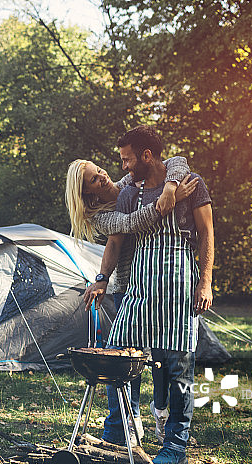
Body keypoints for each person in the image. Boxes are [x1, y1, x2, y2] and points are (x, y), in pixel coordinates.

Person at [84, 125, 214, 464]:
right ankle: (119, 429)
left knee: (178, 368)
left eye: (127, 160)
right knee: (115, 354)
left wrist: (206, 282)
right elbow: (115, 241)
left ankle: (175, 445)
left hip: (178, 288)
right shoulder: (129, 196)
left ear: (146, 156)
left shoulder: (190, 183)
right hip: (139, 290)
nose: (123, 168)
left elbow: (206, 234)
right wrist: (102, 279)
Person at [66, 157, 197, 446]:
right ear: (87, 192)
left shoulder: (128, 185)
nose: (101, 176)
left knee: (164, 358)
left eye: (98, 170)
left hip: (160, 280)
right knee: (124, 359)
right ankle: (125, 423)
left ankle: (161, 413)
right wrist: (167, 202)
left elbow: (177, 160)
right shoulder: (99, 216)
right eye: (93, 179)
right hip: (130, 286)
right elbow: (129, 225)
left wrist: (170, 187)